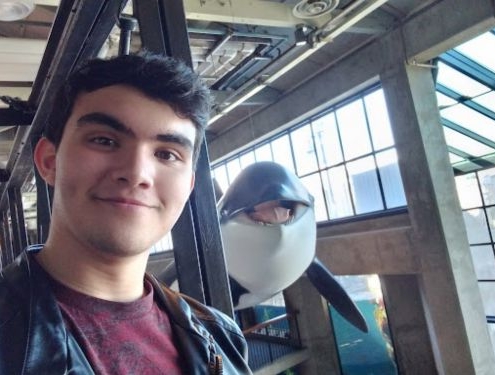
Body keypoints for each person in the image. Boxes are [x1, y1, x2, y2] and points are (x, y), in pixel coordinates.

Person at [0, 53, 252, 375]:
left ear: (188, 186)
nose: (136, 173)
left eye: (167, 154)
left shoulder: (221, 337)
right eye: (105, 140)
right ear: (50, 161)